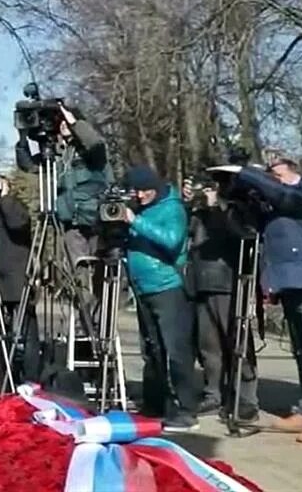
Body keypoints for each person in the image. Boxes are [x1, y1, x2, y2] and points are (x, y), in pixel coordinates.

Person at [219, 155, 302, 444]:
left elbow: (285, 197)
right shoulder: (274, 200)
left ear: (293, 172)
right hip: (289, 282)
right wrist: (235, 190)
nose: (272, 179)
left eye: (276, 174)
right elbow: (247, 226)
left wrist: (248, 173)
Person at [121, 165, 199, 432]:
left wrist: (135, 221)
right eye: (136, 191)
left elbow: (172, 241)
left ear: (156, 187)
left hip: (168, 286)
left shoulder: (172, 208)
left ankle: (186, 410)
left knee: (175, 350)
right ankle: (155, 403)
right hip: (144, 287)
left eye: (144, 190)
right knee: (152, 349)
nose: (140, 195)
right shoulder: (141, 206)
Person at [15, 104, 111, 308]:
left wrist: (74, 120)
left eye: (66, 122)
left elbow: (95, 144)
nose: (63, 125)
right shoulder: (59, 153)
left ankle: (101, 319)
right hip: (70, 222)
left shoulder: (91, 150)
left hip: (96, 219)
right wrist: (23, 138)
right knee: (76, 274)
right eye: (61, 123)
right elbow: (29, 165)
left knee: (100, 272)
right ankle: (84, 320)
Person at [184, 180, 258, 421]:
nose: (207, 192)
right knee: (208, 346)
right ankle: (213, 393)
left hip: (229, 284)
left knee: (237, 343)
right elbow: (184, 236)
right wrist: (188, 204)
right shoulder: (198, 213)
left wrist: (217, 208)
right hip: (201, 283)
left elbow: (241, 235)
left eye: (212, 187)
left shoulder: (239, 210)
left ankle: (245, 398)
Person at [0, 175, 40, 383]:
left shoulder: (16, 207)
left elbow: (18, 224)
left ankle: (31, 379)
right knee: (1, 331)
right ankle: (5, 377)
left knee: (27, 331)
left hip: (18, 278)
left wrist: (6, 198)